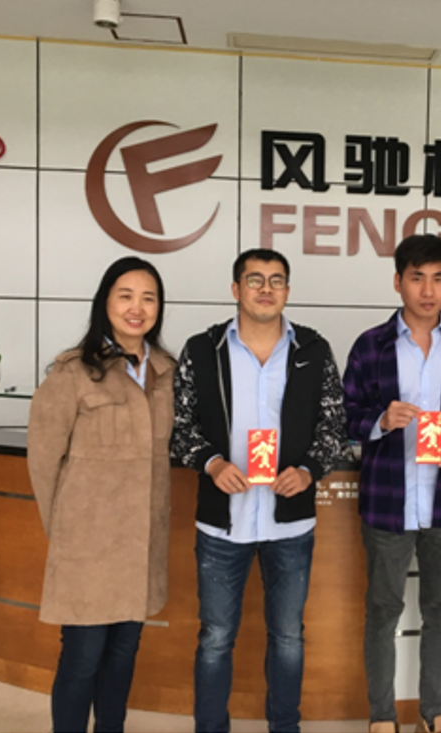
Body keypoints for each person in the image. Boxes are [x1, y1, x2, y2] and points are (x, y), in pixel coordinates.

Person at [171, 248, 347, 733]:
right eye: (255, 280)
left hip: (290, 522)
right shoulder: (202, 349)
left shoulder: (313, 349)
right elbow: (180, 427)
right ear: (236, 289)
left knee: (288, 636)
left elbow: (334, 426)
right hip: (221, 522)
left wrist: (309, 470)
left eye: (276, 280)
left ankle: (284, 727)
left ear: (288, 290)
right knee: (215, 637)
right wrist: (211, 463)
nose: (266, 289)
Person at [342, 234, 441, 733]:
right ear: (398, 282)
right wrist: (380, 421)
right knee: (382, 610)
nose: (428, 290)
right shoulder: (370, 345)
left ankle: (433, 711)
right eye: (416, 278)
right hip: (387, 503)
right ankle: (382, 716)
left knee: (439, 609)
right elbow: (344, 415)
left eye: (438, 278)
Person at [27, 256, 175, 733]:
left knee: (124, 653)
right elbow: (43, 460)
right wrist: (65, 532)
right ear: (105, 302)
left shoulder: (167, 373)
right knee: (82, 658)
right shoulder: (73, 372)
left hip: (140, 546)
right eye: (125, 296)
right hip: (87, 547)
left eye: (148, 298)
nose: (137, 308)